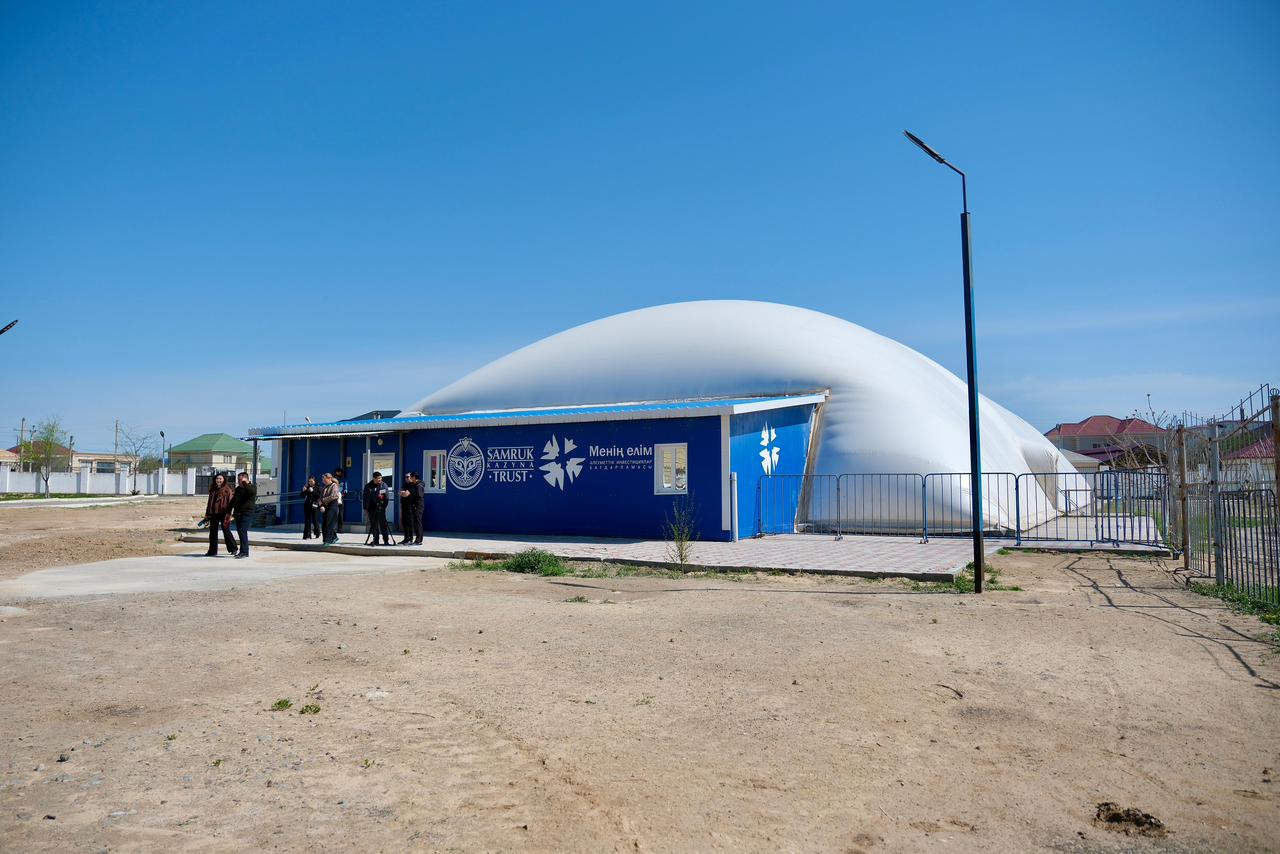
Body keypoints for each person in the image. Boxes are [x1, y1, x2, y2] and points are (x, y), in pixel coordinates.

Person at [202, 473, 238, 556]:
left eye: (220, 479)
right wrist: (207, 514)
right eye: (217, 478)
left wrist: (229, 514)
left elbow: (231, 502)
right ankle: (212, 551)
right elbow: (209, 503)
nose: (218, 480)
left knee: (226, 531)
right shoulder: (213, 489)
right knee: (213, 533)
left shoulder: (227, 489)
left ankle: (233, 548)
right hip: (213, 513)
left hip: (224, 513)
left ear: (224, 480)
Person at [229, 471, 257, 559]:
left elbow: (250, 492)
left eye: (241, 480)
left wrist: (245, 483)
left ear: (246, 479)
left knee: (242, 531)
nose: (239, 482)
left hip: (247, 513)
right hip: (238, 513)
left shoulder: (252, 487)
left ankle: (244, 552)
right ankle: (243, 551)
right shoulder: (238, 489)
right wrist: (229, 511)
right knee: (240, 532)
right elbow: (234, 501)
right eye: (238, 480)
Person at [362, 471, 392, 546]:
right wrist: (365, 508)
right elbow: (365, 497)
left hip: (380, 508)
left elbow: (386, 497)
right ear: (374, 478)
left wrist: (383, 506)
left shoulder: (383, 485)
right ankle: (376, 540)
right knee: (374, 525)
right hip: (371, 508)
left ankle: (386, 540)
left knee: (383, 524)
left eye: (381, 478)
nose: (380, 479)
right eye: (378, 478)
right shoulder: (368, 486)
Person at [398, 471, 424, 545]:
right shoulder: (409, 485)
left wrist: (407, 493)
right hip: (410, 505)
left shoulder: (418, 485)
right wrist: (404, 493)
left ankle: (418, 540)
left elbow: (417, 496)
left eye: (409, 477)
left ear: (413, 477)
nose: (407, 478)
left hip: (417, 506)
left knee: (417, 523)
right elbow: (401, 492)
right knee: (406, 522)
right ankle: (408, 539)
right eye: (406, 477)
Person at [320, 472, 341, 545]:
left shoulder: (334, 486)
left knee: (329, 523)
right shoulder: (324, 487)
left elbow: (333, 496)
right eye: (323, 480)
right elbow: (320, 497)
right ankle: (333, 537)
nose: (323, 481)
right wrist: (321, 505)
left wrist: (323, 500)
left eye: (325, 479)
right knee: (324, 524)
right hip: (326, 506)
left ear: (329, 479)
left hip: (333, 506)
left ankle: (328, 540)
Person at [333, 466, 348, 534]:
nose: (338, 473)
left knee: (340, 515)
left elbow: (346, 489)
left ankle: (340, 529)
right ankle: (332, 528)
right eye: (337, 472)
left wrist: (343, 494)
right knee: (333, 514)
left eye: (339, 472)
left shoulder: (343, 480)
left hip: (340, 499)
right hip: (333, 498)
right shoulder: (332, 480)